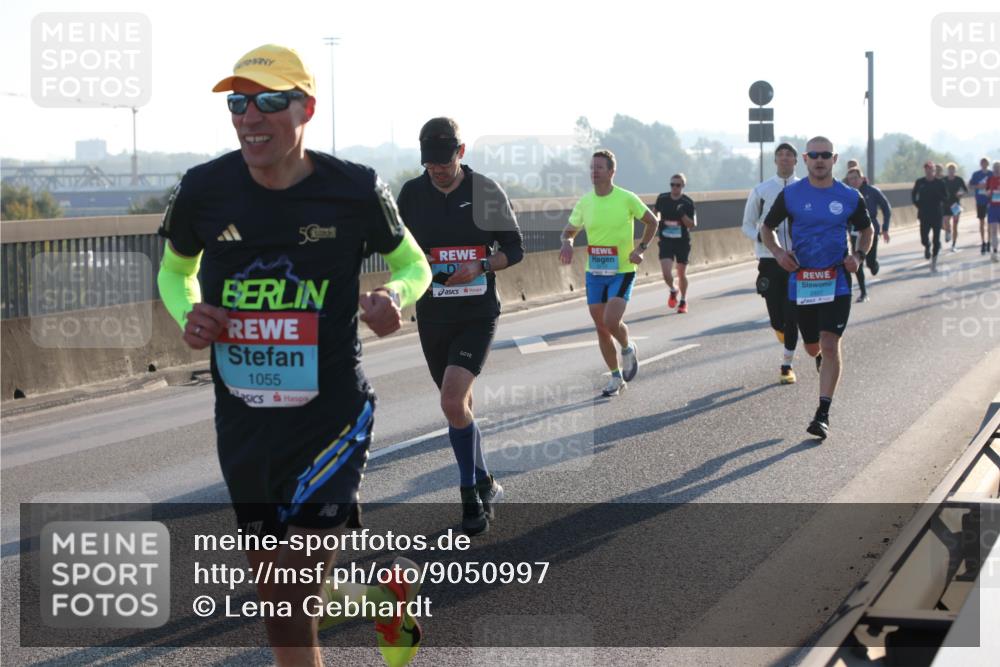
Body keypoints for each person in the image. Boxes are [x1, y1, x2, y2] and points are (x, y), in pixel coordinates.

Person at [156, 44, 431, 667]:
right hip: (244, 417)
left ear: (306, 107)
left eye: (270, 101)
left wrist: (395, 294)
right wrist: (188, 312)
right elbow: (176, 272)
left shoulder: (354, 188)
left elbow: (414, 263)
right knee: (281, 594)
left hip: (331, 413)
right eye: (239, 102)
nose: (251, 116)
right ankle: (378, 600)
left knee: (286, 595)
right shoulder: (203, 189)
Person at [396, 117, 524, 536]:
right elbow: (397, 252)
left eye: (444, 163)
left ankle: (470, 497)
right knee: (459, 408)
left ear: (461, 152)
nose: (437, 170)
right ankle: (486, 479)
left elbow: (515, 249)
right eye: (430, 164)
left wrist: (481, 265)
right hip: (432, 315)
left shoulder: (485, 191)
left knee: (452, 402)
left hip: (477, 314)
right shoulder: (412, 195)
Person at [761, 137, 873, 440]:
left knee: (828, 342)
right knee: (812, 347)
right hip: (803, 281)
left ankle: (822, 414)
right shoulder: (792, 194)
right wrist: (780, 253)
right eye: (814, 155)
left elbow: (867, 229)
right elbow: (766, 227)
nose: (820, 160)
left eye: (825, 155)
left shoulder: (849, 196)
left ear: (834, 159)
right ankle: (824, 364)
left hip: (836, 280)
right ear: (806, 159)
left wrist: (859, 256)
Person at [559, 149, 658, 396]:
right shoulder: (585, 202)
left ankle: (627, 346)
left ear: (612, 171)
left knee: (610, 320)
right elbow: (569, 231)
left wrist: (641, 248)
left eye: (599, 167)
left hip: (622, 270)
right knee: (601, 328)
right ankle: (616, 378)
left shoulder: (626, 198)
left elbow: (652, 222)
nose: (594, 171)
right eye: (592, 167)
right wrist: (567, 243)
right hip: (595, 272)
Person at [741, 141, 800, 384]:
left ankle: (786, 365)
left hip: (797, 260)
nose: (785, 158)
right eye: (781, 155)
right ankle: (788, 339)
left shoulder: (805, 189)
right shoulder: (761, 190)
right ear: (775, 160)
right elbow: (746, 224)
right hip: (769, 259)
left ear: (796, 161)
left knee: (792, 314)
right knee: (777, 318)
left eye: (789, 155)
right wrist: (761, 239)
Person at [845, 167, 892, 302]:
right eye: (850, 179)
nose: (853, 181)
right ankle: (863, 293)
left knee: (870, 263)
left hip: (871, 231)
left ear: (861, 178)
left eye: (855, 178)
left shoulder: (872, 191)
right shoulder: (847, 194)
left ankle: (873, 264)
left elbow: (886, 208)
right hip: (854, 232)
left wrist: (886, 228)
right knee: (856, 260)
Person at [654, 173, 697, 313]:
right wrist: (656, 221)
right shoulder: (662, 198)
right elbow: (653, 216)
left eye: (678, 185)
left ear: (683, 186)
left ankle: (683, 300)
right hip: (666, 240)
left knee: (681, 272)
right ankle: (673, 289)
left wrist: (682, 214)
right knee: (666, 273)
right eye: (672, 184)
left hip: (682, 242)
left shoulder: (688, 202)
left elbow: (692, 225)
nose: (674, 188)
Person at [911, 160, 949, 272]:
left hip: (937, 214)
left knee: (936, 239)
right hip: (924, 214)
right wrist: (917, 204)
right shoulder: (920, 182)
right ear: (925, 170)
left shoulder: (940, 183)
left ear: (934, 171)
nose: (929, 172)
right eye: (927, 170)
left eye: (931, 170)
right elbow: (914, 195)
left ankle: (934, 260)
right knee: (923, 238)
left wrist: (940, 197)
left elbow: (946, 197)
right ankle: (927, 246)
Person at [943, 162, 969, 252]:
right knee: (945, 221)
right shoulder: (944, 180)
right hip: (946, 204)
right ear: (947, 170)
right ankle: (947, 231)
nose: (951, 171)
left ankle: (953, 244)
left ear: (955, 170)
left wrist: (961, 194)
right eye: (950, 169)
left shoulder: (959, 180)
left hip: (955, 205)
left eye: (953, 169)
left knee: (955, 225)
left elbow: (966, 191)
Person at [969, 157, 992, 254]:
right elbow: (970, 186)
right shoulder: (976, 174)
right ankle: (983, 242)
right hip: (980, 201)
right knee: (982, 222)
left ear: (988, 164)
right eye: (982, 162)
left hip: (991, 201)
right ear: (980, 164)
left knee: (990, 223)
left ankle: (989, 242)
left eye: (985, 162)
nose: (984, 164)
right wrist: (978, 186)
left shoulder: (991, 174)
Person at [987, 161, 1000, 263]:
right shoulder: (990, 179)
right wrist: (989, 194)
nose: (996, 169)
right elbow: (987, 192)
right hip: (993, 207)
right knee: (994, 230)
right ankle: (995, 252)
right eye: (995, 167)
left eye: (998, 167)